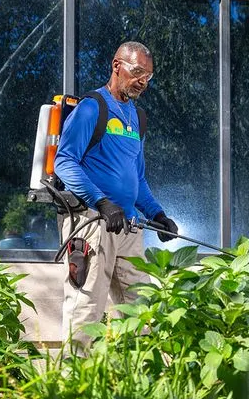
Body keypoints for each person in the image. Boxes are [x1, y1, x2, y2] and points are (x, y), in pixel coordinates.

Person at [53, 41, 179, 347]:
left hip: (128, 227)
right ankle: (73, 376)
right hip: (92, 223)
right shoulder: (91, 108)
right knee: (85, 311)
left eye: (148, 76)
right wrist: (102, 202)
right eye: (137, 72)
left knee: (142, 310)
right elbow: (64, 162)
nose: (142, 81)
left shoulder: (137, 118)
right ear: (117, 65)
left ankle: (138, 375)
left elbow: (137, 178)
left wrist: (158, 214)